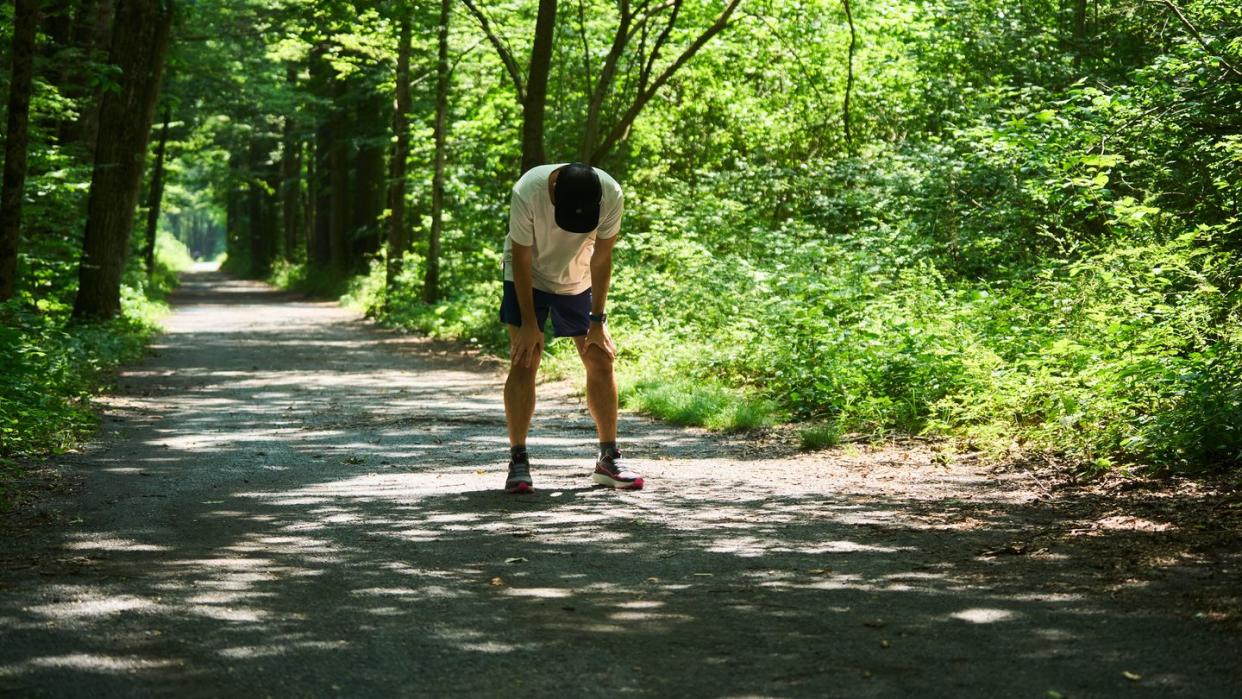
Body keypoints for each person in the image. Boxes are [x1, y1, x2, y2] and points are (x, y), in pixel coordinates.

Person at [499, 162, 644, 494]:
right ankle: (518, 460)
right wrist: (529, 325)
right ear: (553, 192)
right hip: (527, 276)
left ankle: (608, 458)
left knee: (600, 358)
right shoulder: (528, 190)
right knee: (525, 358)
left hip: (578, 277)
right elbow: (521, 258)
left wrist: (597, 321)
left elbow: (602, 257)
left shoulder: (610, 193)